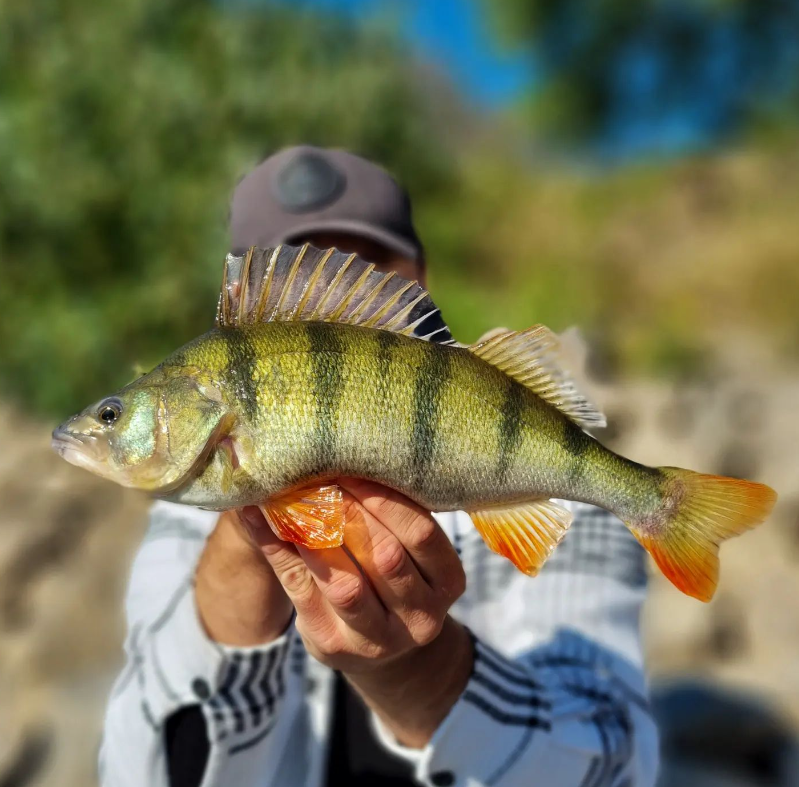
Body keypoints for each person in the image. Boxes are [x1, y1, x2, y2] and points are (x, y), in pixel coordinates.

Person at [100, 146, 659, 787]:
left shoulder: (570, 505)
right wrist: (241, 566)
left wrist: (413, 670)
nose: (324, 300)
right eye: (295, 274)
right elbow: (136, 770)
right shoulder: (187, 523)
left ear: (415, 281)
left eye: (358, 271)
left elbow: (613, 766)